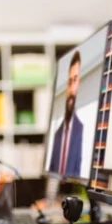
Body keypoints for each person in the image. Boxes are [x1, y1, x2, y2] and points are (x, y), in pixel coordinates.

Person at [48, 50, 84, 178]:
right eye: (69, 82)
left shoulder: (81, 129)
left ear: (78, 83)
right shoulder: (57, 133)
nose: (71, 88)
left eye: (75, 80)